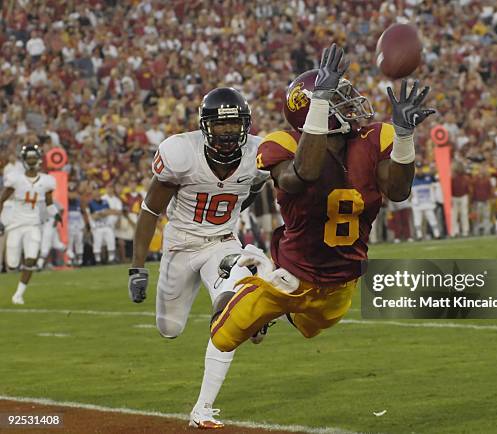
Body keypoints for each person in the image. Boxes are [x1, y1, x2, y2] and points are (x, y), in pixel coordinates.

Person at [208, 43, 435, 353]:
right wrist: (320, 104)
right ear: (317, 109)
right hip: (293, 274)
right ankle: (240, 275)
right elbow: (303, 174)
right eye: (338, 99)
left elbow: (398, 191)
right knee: (222, 339)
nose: (350, 104)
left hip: (341, 282)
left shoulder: (372, 139)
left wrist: (404, 137)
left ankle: (268, 291)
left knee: (309, 326)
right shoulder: (283, 143)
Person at [127, 87, 268, 429]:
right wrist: (136, 267)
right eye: (221, 127)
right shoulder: (181, 152)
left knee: (233, 307)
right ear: (205, 127)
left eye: (235, 126)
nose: (228, 134)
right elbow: (150, 210)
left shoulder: (258, 154)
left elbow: (248, 193)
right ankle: (232, 303)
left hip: (222, 243)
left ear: (246, 126)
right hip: (179, 245)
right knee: (169, 328)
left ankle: (202, 409)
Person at [0, 145, 62, 304]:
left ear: (39, 159)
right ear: (24, 160)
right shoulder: (16, 178)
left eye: (34, 157)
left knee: (31, 259)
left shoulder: (47, 180)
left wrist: (55, 214)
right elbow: (2, 200)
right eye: (29, 158)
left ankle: (18, 294)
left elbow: (48, 203)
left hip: (33, 225)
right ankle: (16, 267)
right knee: (12, 266)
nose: (32, 160)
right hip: (15, 224)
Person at [411, 163, 441, 240]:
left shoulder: (429, 177)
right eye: (418, 168)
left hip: (428, 202)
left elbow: (436, 184)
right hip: (418, 203)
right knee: (417, 220)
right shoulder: (413, 179)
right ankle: (419, 236)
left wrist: (434, 199)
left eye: (421, 168)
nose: (420, 170)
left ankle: (437, 234)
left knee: (432, 219)